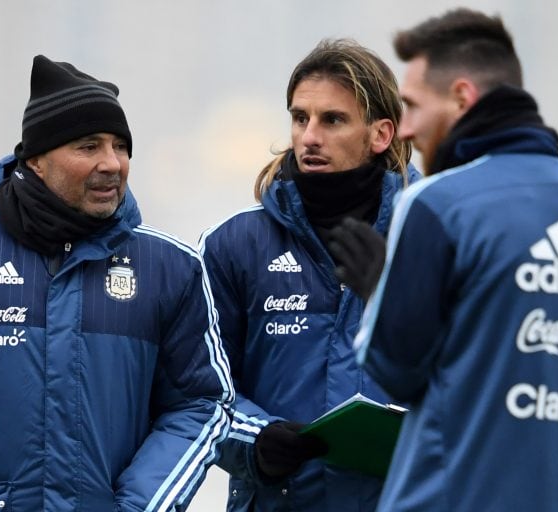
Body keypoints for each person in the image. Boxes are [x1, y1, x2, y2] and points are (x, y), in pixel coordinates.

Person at [329, 8, 558, 512]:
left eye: (411, 105)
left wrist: (380, 290)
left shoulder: (436, 203)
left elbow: (397, 369)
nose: (404, 129)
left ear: (462, 97)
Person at [0, 55, 234, 511]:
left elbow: (200, 404)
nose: (112, 164)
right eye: (88, 147)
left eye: (120, 147)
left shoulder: (172, 267)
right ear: (35, 160)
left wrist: (139, 505)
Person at [198, 39, 416, 511]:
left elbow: (476, 382)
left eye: (332, 120)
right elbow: (195, 391)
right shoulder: (234, 246)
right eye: (300, 118)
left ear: (381, 134)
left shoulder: (434, 239)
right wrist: (257, 439)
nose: (309, 136)